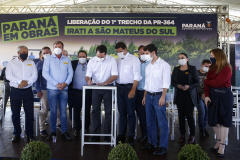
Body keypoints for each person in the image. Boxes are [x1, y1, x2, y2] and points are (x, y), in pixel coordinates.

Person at [141, 44, 171, 156]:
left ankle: (163, 146)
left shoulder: (164, 65)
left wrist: (163, 96)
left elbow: (166, 82)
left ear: (153, 52)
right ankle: (152, 143)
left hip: (159, 96)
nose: (145, 55)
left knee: (162, 123)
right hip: (148, 96)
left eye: (147, 53)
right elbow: (147, 83)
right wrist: (144, 96)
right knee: (150, 122)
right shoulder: (148, 66)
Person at [86, 45, 118, 142]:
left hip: (108, 87)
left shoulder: (111, 60)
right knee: (95, 111)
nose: (100, 58)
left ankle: (107, 135)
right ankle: (96, 135)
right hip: (95, 87)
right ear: (96, 53)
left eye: (102, 57)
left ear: (106, 54)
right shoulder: (92, 61)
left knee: (108, 112)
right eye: (98, 56)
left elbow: (115, 75)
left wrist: (106, 83)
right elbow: (88, 75)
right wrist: (88, 81)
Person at [204, 48, 233, 157]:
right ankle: (219, 140)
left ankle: (223, 144)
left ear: (218, 56)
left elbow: (218, 82)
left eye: (212, 55)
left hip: (224, 96)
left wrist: (207, 81)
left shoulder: (227, 68)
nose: (211, 57)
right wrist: (207, 96)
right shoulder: (212, 67)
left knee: (223, 121)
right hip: (212, 96)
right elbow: (207, 84)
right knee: (213, 121)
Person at [43, 41, 73, 141]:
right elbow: (45, 74)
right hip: (52, 89)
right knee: (53, 112)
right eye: (56, 46)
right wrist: (56, 83)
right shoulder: (48, 59)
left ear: (63, 48)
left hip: (64, 89)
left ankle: (64, 131)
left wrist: (65, 83)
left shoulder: (67, 59)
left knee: (64, 112)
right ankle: (53, 132)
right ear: (53, 47)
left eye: (59, 47)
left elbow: (70, 73)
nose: (57, 48)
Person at [6, 45, 37, 142]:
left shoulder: (31, 63)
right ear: (18, 53)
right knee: (15, 114)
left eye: (26, 53)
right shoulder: (11, 63)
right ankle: (17, 134)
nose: (25, 55)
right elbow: (9, 75)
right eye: (23, 53)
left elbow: (34, 76)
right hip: (15, 91)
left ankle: (30, 134)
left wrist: (27, 82)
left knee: (29, 113)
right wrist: (20, 82)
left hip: (28, 91)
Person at [115, 42, 142, 146]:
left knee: (131, 113)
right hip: (119, 87)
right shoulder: (117, 60)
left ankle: (131, 135)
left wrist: (133, 89)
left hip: (130, 87)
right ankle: (121, 134)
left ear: (125, 49)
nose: (119, 53)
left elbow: (137, 75)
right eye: (117, 52)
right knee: (121, 112)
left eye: (121, 51)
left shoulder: (134, 59)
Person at [171, 53, 199, 144]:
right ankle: (182, 134)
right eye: (179, 58)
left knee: (189, 115)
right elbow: (172, 82)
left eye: (182, 58)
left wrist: (189, 86)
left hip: (189, 95)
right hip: (179, 95)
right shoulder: (176, 69)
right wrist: (177, 85)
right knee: (181, 116)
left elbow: (197, 82)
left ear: (187, 59)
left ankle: (192, 135)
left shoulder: (192, 68)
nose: (180, 59)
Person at [70, 50, 92, 137]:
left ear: (86, 57)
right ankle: (77, 128)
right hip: (76, 91)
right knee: (76, 110)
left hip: (87, 91)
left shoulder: (90, 64)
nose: (82, 58)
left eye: (83, 57)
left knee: (87, 110)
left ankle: (86, 127)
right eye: (80, 57)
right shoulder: (73, 64)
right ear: (77, 57)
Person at [35, 46, 52, 137]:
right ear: (41, 54)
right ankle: (42, 129)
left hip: (54, 89)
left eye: (47, 52)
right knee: (44, 110)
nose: (46, 54)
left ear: (51, 53)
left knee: (57, 109)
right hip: (44, 90)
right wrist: (38, 90)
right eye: (44, 53)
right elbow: (37, 79)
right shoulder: (39, 64)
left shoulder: (55, 63)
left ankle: (58, 125)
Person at [135, 45, 149, 143]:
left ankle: (151, 136)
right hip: (136, 91)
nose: (143, 55)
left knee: (148, 115)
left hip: (147, 92)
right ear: (138, 53)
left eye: (145, 53)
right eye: (141, 53)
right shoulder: (134, 62)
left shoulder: (150, 64)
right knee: (140, 115)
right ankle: (144, 134)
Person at [197, 59, 211, 137]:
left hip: (206, 95)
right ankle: (201, 129)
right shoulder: (196, 72)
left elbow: (210, 85)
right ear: (202, 65)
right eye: (206, 66)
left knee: (206, 112)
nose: (207, 68)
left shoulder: (209, 74)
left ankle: (204, 127)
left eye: (209, 67)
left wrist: (205, 93)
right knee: (202, 111)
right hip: (197, 95)